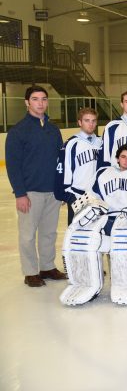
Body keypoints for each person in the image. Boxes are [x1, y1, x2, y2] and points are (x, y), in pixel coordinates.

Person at [60, 144, 127, 305]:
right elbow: (92, 195)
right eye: (123, 157)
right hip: (106, 218)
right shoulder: (103, 173)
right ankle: (87, 284)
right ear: (117, 159)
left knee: (125, 239)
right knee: (81, 237)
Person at [6, 85, 66, 287]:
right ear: (27, 102)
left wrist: (61, 189)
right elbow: (13, 165)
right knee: (27, 235)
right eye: (35, 99)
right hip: (30, 192)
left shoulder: (53, 129)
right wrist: (20, 194)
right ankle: (31, 271)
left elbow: (60, 161)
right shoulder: (18, 131)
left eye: (43, 99)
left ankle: (47, 266)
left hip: (52, 192)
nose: (40, 103)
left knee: (49, 232)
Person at [55, 107, 102, 225]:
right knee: (76, 234)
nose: (91, 124)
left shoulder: (101, 142)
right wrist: (67, 195)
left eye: (93, 121)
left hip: (98, 196)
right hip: (77, 195)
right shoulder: (71, 143)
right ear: (80, 122)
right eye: (87, 120)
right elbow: (63, 169)